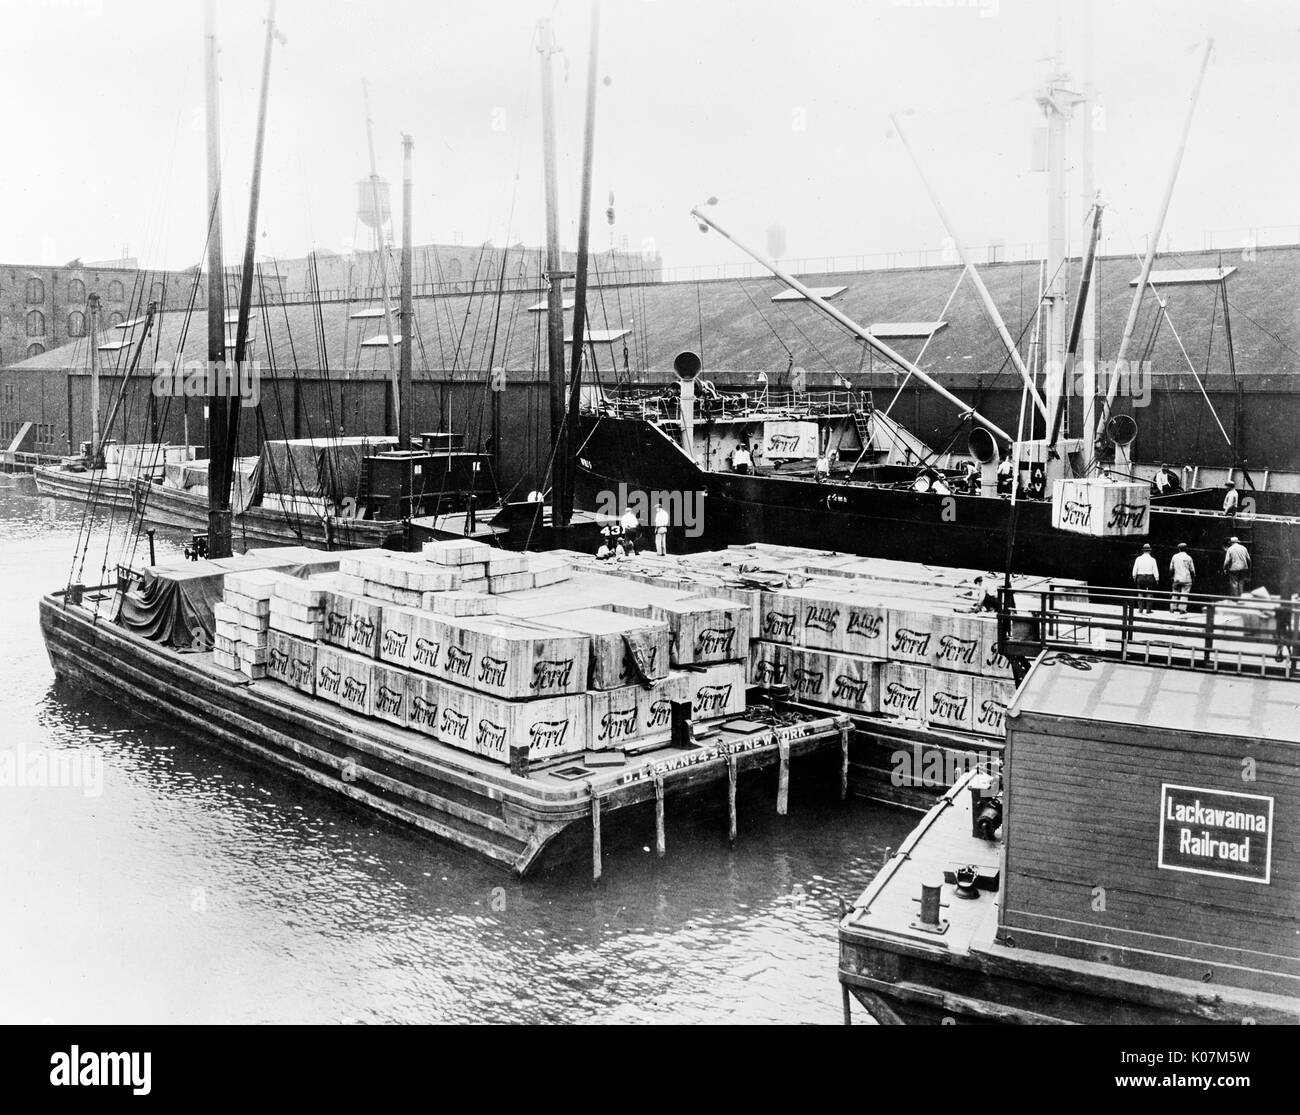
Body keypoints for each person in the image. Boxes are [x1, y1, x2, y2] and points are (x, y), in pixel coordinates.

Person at [1132, 543, 1159, 614]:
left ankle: (1140, 609)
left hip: (1140, 577)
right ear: (1149, 551)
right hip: (1150, 577)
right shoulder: (1153, 560)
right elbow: (1155, 570)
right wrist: (1157, 579)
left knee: (1140, 593)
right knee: (1149, 594)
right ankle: (1148, 610)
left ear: (1143, 551)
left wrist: (1134, 577)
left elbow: (1135, 569)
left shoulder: (1138, 559)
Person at [1169, 542, 1195, 613]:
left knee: (1175, 592)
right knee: (1184, 594)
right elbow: (1192, 570)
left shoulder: (1174, 556)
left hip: (1177, 578)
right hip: (1186, 578)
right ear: (1186, 549)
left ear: (1179, 549)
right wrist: (1193, 577)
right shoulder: (1188, 557)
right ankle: (1182, 609)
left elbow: (1171, 568)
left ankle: (1172, 608)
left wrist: (1171, 576)